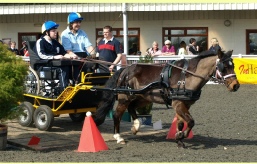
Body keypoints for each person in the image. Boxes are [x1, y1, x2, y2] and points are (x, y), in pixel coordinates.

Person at [33, 20, 74, 92]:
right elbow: (41, 55)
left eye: (56, 31)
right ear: (46, 32)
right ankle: (64, 91)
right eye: (53, 31)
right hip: (42, 66)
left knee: (72, 67)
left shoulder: (55, 42)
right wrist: (54, 57)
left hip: (54, 65)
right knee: (62, 69)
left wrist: (69, 55)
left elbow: (63, 52)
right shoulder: (40, 42)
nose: (56, 33)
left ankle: (73, 88)